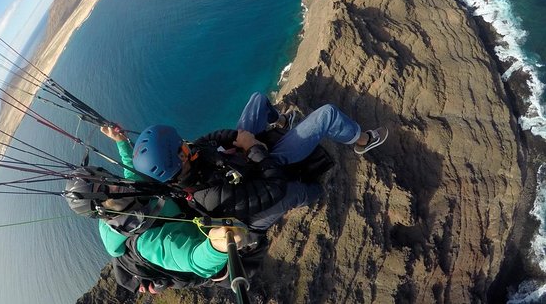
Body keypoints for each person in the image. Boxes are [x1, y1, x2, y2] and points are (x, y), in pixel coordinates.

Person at [132, 92, 388, 230]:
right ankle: (362, 141)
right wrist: (254, 148)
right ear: (178, 160)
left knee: (258, 100)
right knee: (328, 115)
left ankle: (280, 121)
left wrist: (237, 138)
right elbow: (274, 187)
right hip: (267, 167)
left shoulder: (189, 155)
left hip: (243, 158)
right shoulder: (210, 196)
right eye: (180, 147)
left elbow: (211, 138)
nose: (185, 143)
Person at [64, 126, 265, 294]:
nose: (113, 184)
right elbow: (192, 259)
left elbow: (130, 173)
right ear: (101, 208)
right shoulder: (145, 242)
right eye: (105, 189)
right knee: (287, 193)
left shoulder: (124, 198)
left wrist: (121, 142)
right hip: (223, 253)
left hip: (203, 215)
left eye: (105, 177)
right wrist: (215, 247)